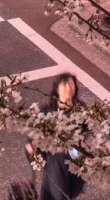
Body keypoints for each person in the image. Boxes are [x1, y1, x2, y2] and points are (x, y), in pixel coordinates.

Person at [24, 72, 86, 200]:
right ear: (57, 89)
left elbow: (85, 133)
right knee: (58, 170)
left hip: (74, 152)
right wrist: (32, 149)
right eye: (64, 85)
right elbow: (33, 137)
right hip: (55, 158)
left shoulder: (81, 110)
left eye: (71, 84)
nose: (69, 88)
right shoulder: (46, 112)